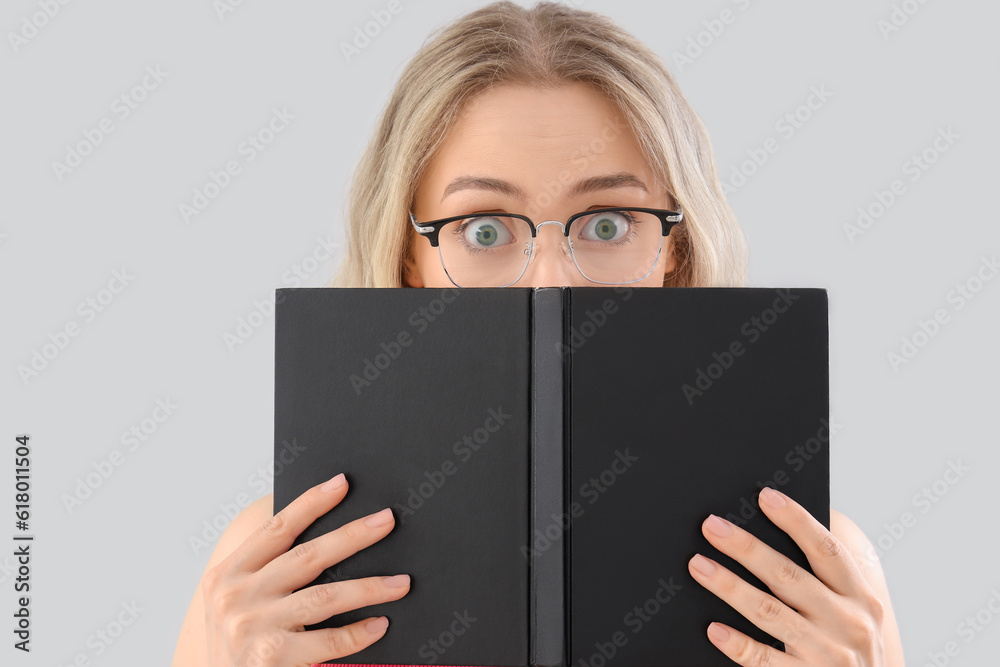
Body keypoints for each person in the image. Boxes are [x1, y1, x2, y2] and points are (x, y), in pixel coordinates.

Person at [172, 3, 905, 665]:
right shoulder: (269, 571)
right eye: (483, 228)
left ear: (675, 250)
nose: (551, 279)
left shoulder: (819, 572)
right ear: (409, 256)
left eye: (609, 223)